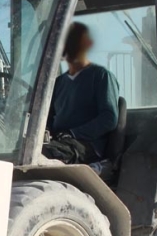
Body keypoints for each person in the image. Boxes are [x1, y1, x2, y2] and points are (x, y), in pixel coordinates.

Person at [43, 22, 120, 165]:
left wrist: (73, 133)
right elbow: (48, 117)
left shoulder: (101, 76)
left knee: (45, 154)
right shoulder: (59, 83)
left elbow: (109, 118)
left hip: (86, 145)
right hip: (59, 142)